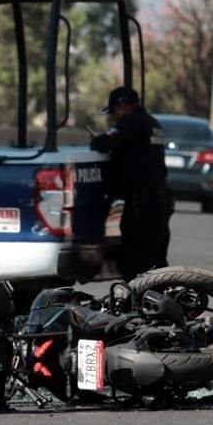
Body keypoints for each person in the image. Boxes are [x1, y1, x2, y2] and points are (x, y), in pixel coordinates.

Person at [90, 86, 174, 281]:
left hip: (140, 200)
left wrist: (97, 139)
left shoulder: (131, 123)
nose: (114, 117)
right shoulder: (153, 123)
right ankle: (159, 297)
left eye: (115, 112)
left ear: (123, 106)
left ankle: (138, 299)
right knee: (156, 256)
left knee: (135, 257)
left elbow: (102, 143)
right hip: (159, 197)